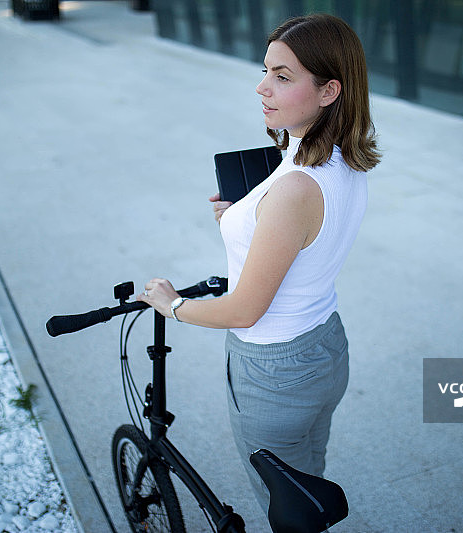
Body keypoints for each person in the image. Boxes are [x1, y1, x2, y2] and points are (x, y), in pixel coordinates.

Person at [137, 13, 380, 512]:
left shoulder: (294, 189)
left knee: (283, 504)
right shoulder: (339, 157)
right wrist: (243, 217)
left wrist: (173, 305)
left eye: (283, 77)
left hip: (275, 368)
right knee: (306, 480)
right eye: (266, 70)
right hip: (324, 346)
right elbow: (306, 230)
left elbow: (243, 311)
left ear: (329, 91)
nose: (261, 87)